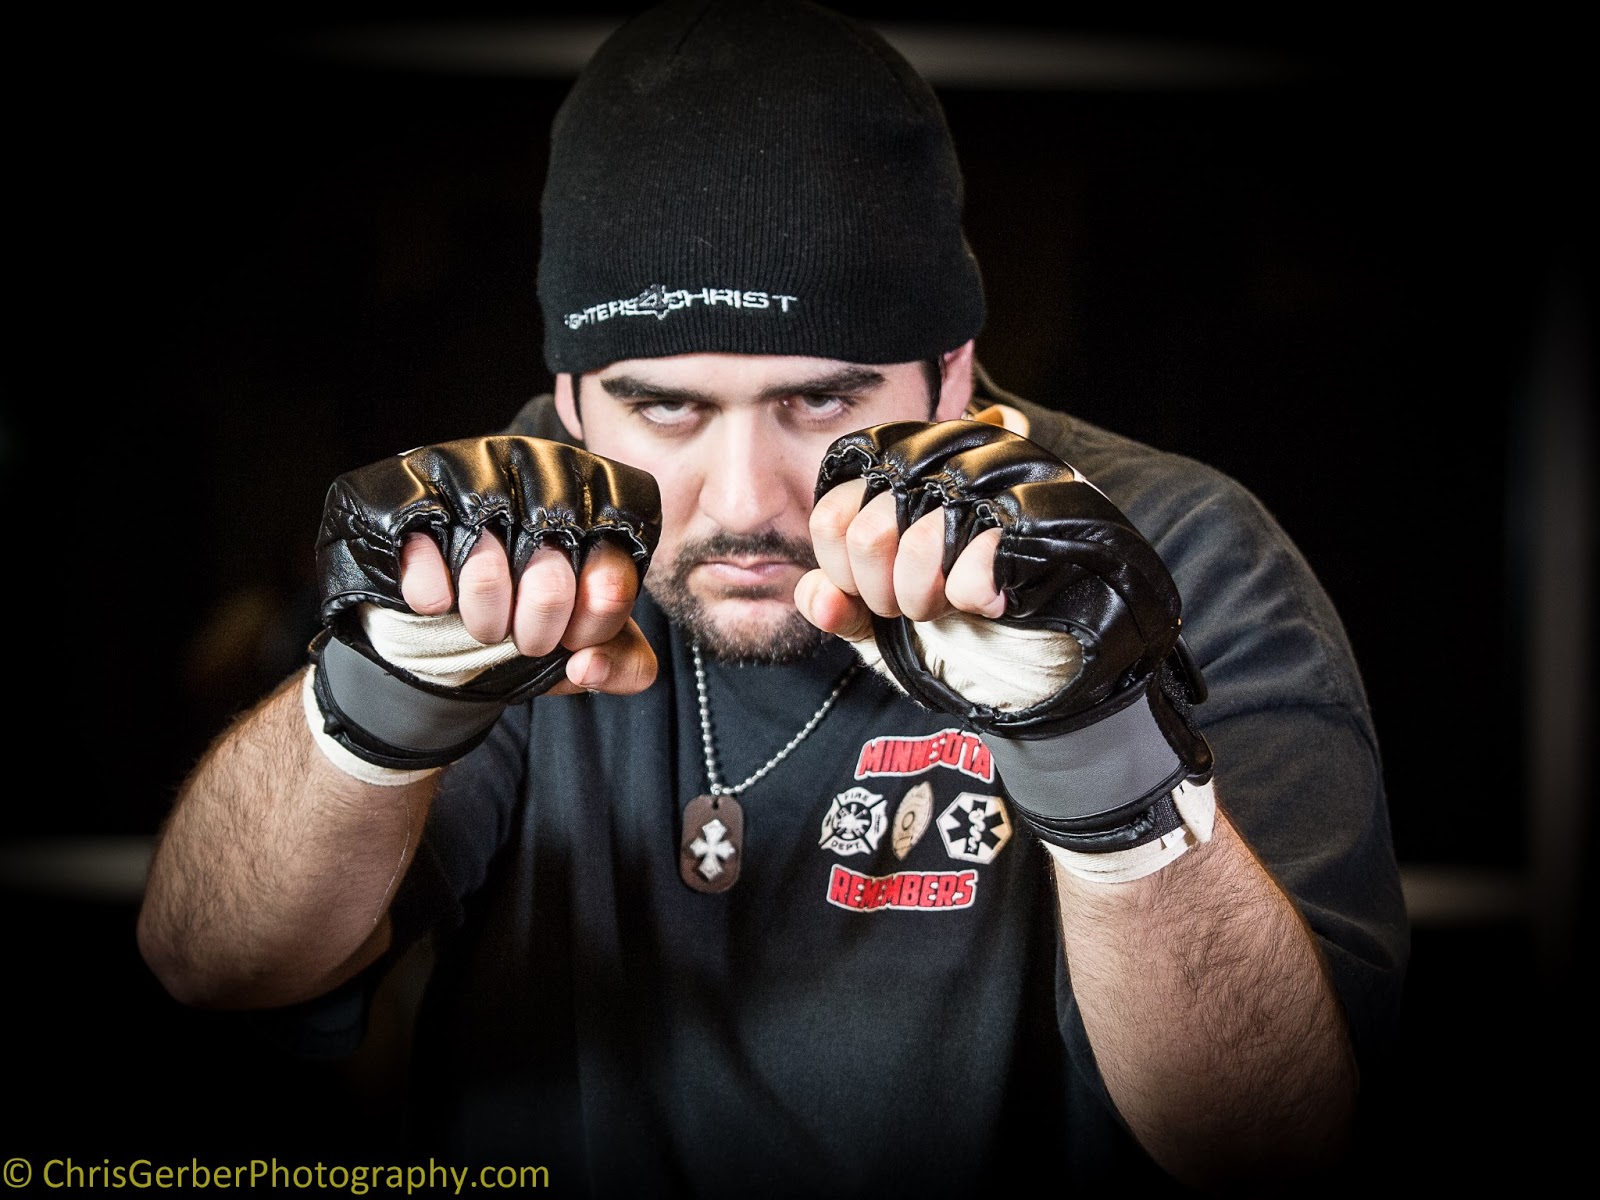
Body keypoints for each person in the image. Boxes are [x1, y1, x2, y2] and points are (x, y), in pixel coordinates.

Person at [137, 1, 1409, 1193]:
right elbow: (210, 964)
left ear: (951, 372)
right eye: (664, 408)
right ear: (569, 396)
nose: (746, 499)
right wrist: (375, 706)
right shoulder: (510, 551)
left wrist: (1098, 751)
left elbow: (1265, 1140)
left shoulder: (1175, 548)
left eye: (820, 400)